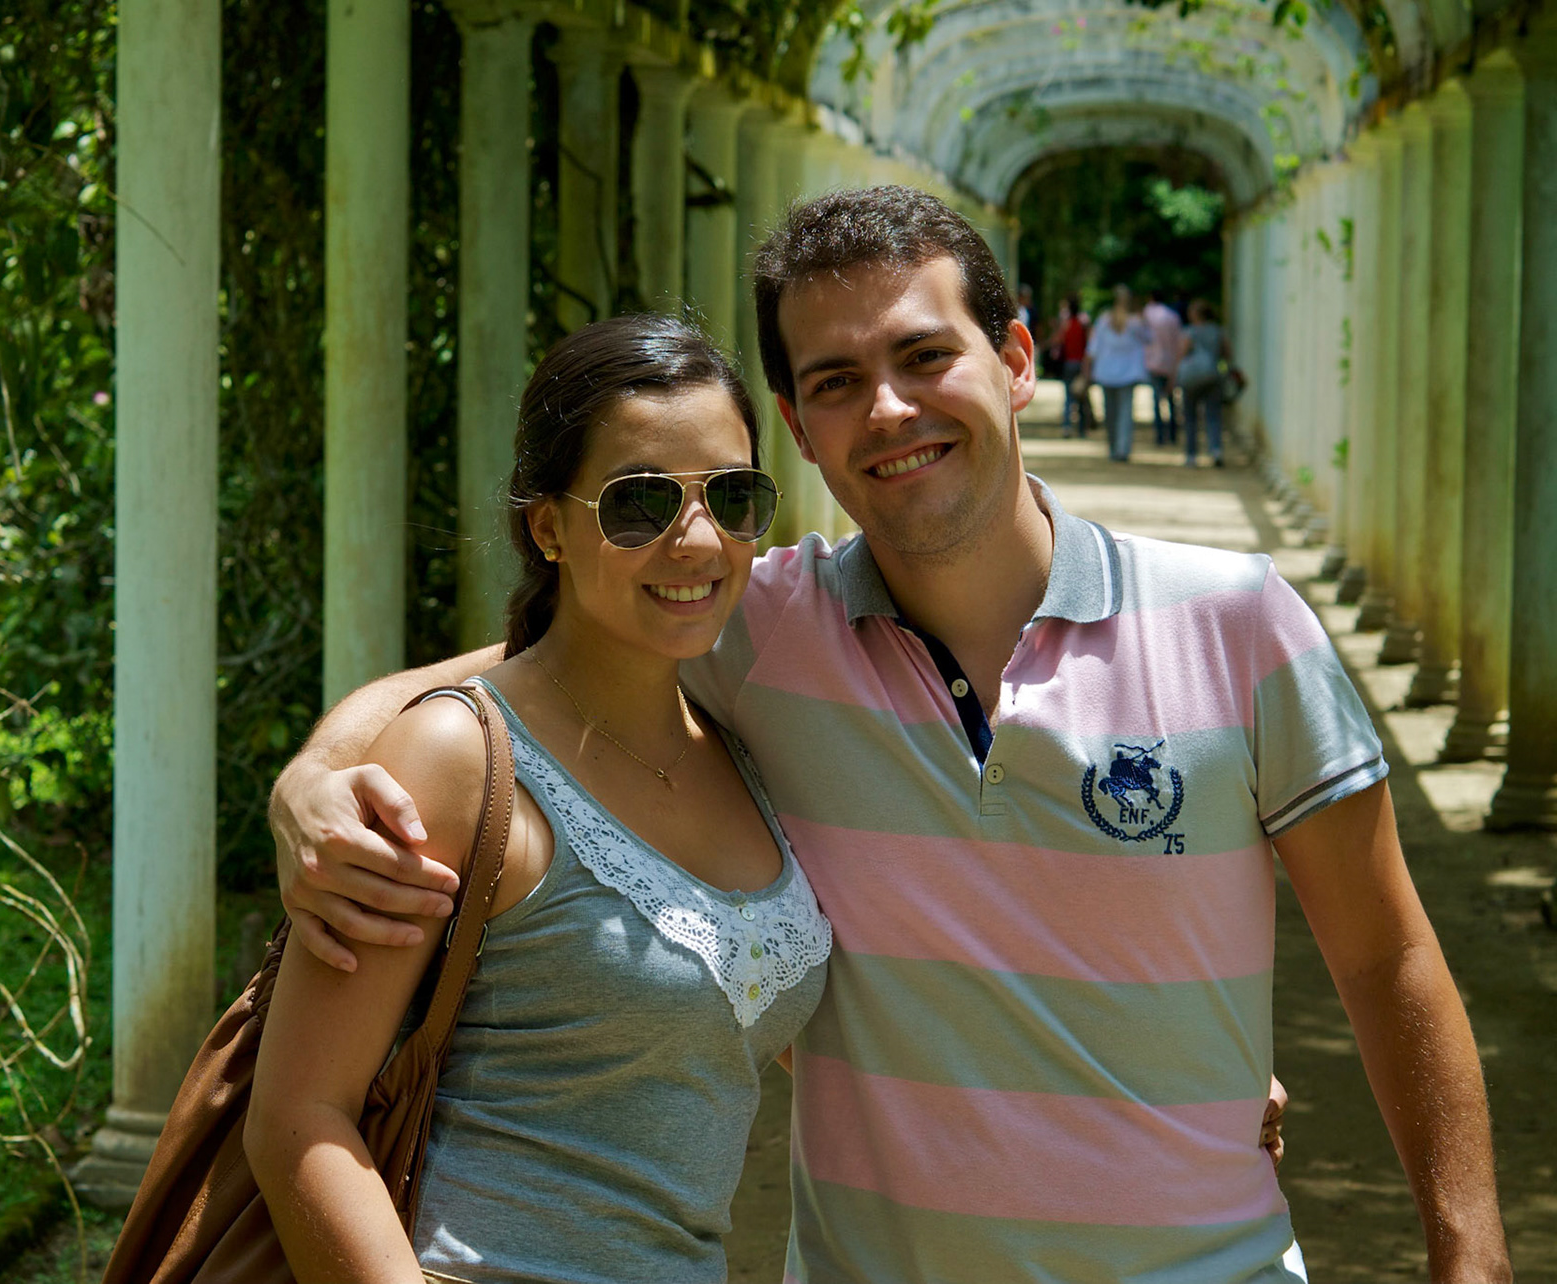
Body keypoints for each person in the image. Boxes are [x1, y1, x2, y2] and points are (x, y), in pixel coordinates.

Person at [270, 188, 1509, 1283]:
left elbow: (1387, 959)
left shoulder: (1239, 625)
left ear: (1017, 356)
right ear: (801, 433)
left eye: (925, 354)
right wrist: (319, 775)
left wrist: (1469, 1253)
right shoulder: (753, 626)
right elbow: (520, 676)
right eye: (832, 382)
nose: (889, 409)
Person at [243, 314, 833, 1284]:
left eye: (734, 497)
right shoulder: (456, 761)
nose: (698, 539)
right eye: (641, 504)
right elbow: (298, 1117)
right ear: (548, 526)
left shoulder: (746, 731)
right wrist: (311, 775)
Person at [1083, 284, 1147, 461]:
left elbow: (1093, 347)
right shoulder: (1136, 322)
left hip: (1106, 372)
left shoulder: (1104, 319)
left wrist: (1087, 368)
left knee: (1109, 413)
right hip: (1128, 373)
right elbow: (1149, 339)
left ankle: (1113, 447)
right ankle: (1122, 449)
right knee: (1125, 413)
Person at [1177, 298, 1235, 467]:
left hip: (1192, 379)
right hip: (1213, 376)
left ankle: (1191, 455)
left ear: (1195, 314)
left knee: (1190, 417)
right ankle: (1216, 449)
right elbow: (1228, 354)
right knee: (1213, 416)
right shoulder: (1218, 331)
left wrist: (1176, 376)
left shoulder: (1190, 332)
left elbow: (1182, 354)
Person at [1142, 288, 1184, 446]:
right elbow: (1178, 342)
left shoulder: (1147, 314)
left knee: (1156, 400)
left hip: (1153, 362)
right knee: (1171, 399)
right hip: (1170, 362)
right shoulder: (1172, 317)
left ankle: (1160, 435)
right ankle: (1173, 433)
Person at [1054, 293, 1092, 438]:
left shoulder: (1066, 325)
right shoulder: (1083, 325)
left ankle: (1067, 427)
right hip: (1081, 363)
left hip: (1068, 363)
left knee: (1068, 397)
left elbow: (1058, 340)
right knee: (1082, 397)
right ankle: (1082, 429)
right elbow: (1089, 344)